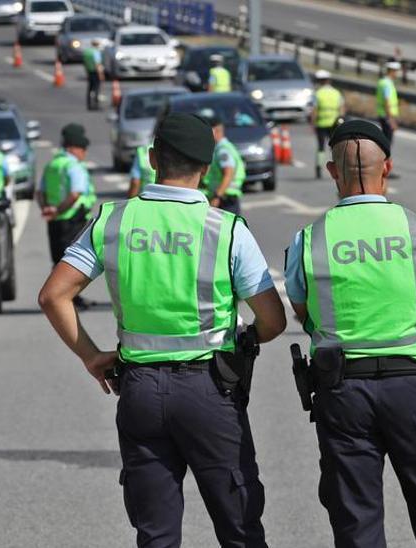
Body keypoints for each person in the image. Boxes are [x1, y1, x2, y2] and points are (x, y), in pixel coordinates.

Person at [38, 112, 287, 547]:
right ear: (207, 168)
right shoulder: (225, 229)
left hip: (139, 392)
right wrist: (245, 337)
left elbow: (53, 295)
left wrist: (92, 356)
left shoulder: (112, 221)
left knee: (155, 534)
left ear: (152, 159)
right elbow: (273, 321)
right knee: (240, 527)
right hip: (211, 392)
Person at [284, 120, 416, 547]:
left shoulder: (309, 239)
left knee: (356, 523)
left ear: (333, 172)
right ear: (386, 167)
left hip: (343, 392)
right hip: (415, 387)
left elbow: (303, 312)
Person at [38, 123, 96, 308]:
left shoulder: (53, 164)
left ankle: (66, 298)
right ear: (73, 148)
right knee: (74, 262)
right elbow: (75, 193)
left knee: (58, 260)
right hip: (72, 220)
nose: (84, 153)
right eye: (82, 149)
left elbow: (40, 192)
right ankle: (68, 299)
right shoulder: (73, 166)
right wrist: (60, 210)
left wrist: (47, 209)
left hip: (54, 221)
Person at [201, 114, 245, 215]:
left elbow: (228, 174)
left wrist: (217, 197)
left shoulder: (223, 150)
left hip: (226, 199)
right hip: (224, 197)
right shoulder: (220, 148)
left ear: (216, 131)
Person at [308, 69, 343, 178]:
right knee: (335, 147)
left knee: (321, 147)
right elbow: (342, 109)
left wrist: (312, 124)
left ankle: (318, 168)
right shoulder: (336, 93)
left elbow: (314, 110)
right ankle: (338, 168)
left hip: (321, 124)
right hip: (334, 124)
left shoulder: (318, 94)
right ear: (329, 80)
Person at [376, 60, 401, 177]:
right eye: (396, 71)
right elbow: (386, 101)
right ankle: (385, 169)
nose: (398, 73)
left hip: (383, 115)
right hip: (387, 116)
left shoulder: (382, 82)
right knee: (387, 144)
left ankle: (383, 168)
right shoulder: (387, 84)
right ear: (392, 71)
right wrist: (391, 120)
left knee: (385, 143)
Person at [82, 38, 106, 110]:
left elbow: (85, 63)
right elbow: (97, 64)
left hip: (89, 71)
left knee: (90, 88)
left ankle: (89, 104)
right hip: (95, 72)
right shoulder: (96, 52)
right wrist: (101, 74)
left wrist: (87, 71)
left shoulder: (87, 51)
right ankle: (95, 104)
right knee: (96, 88)